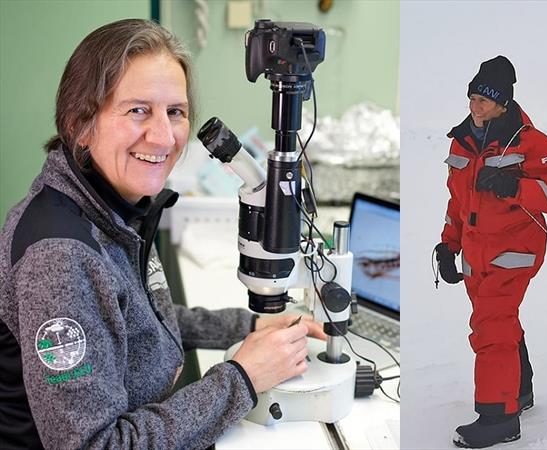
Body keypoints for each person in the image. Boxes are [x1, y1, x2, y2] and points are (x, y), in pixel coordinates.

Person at [0, 19, 324, 449]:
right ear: (80, 123)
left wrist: (249, 325)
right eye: (138, 110)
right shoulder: (60, 257)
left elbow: (133, 319)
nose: (164, 136)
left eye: (175, 111)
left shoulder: (112, 204)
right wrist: (242, 378)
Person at [434, 55, 547, 448]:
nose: (474, 106)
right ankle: (520, 393)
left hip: (514, 251)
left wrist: (514, 187)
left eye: (483, 100)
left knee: (492, 328)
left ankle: (499, 419)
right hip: (476, 255)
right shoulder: (463, 140)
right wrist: (449, 244)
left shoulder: (532, 142)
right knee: (499, 322)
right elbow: (457, 202)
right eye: (472, 97)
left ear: (503, 103)